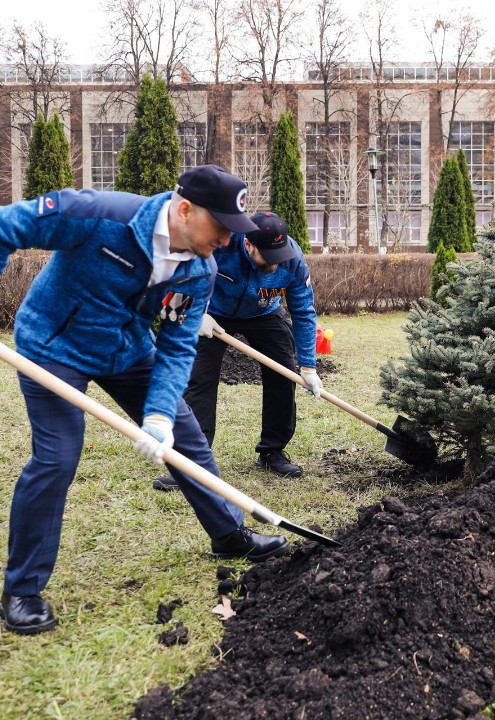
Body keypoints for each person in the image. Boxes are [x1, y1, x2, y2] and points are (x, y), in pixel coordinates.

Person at [0, 165, 290, 635]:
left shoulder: (199, 269)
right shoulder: (99, 215)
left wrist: (158, 415)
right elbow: (6, 226)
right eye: (220, 227)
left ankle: (229, 534)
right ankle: (22, 590)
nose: (226, 240)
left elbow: (176, 346)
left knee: (186, 437)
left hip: (129, 352)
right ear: (185, 210)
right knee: (56, 458)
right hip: (55, 347)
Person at [153, 211, 321, 490]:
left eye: (278, 255)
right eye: (268, 256)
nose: (275, 263)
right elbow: (178, 278)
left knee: (283, 374)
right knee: (198, 380)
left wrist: (308, 366)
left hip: (264, 314)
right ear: (248, 244)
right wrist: (193, 316)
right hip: (213, 314)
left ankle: (272, 451)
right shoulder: (220, 243)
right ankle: (192, 463)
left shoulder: (292, 259)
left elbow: (303, 310)